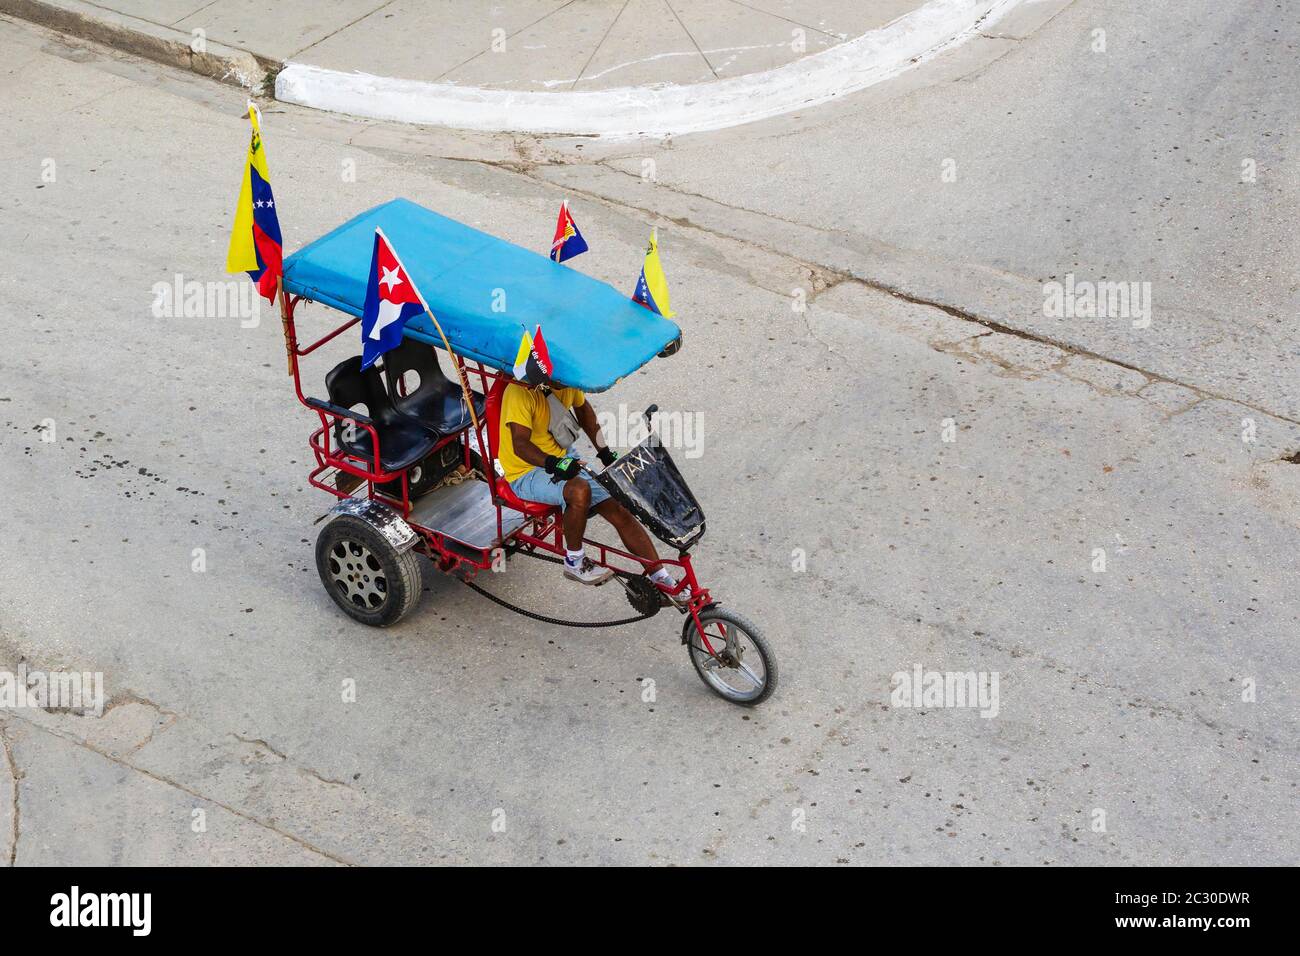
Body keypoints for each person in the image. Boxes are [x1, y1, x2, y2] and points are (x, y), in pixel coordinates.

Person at [499, 380, 688, 601]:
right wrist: (556, 464)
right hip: (526, 471)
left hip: (564, 455)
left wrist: (604, 451)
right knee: (580, 490)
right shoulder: (519, 392)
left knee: (619, 506)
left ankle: (661, 577)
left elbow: (584, 410)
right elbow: (520, 444)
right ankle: (574, 561)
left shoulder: (568, 378)